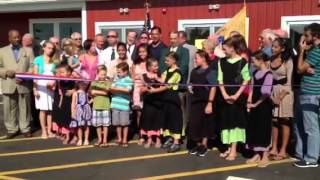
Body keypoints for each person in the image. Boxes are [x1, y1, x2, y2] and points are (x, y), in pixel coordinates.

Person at [218, 36, 250, 161]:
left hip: (237, 96)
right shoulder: (222, 61)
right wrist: (225, 94)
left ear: (232, 49)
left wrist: (236, 95)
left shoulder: (242, 62)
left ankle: (234, 149)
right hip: (225, 95)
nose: (223, 52)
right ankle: (228, 147)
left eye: (225, 49)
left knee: (236, 122)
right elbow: (220, 79)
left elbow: (246, 79)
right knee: (226, 121)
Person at [0, 29, 34, 139]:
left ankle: (25, 129)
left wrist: (24, 76)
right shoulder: (2, 51)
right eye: (14, 37)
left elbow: (32, 67)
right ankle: (11, 129)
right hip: (8, 83)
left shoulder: (28, 50)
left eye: (18, 37)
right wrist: (5, 72)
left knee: (25, 108)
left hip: (24, 84)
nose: (17, 39)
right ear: (9, 38)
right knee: (9, 109)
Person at [295, 23, 320, 168]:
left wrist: (302, 51)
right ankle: (310, 155)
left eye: (307, 35)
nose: (304, 37)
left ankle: (311, 158)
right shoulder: (315, 50)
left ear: (315, 36)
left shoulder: (316, 51)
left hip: (311, 92)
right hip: (311, 91)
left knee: (311, 127)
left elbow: (299, 69)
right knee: (310, 126)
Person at [149, 52, 183, 153]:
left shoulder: (177, 72)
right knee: (167, 119)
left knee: (175, 119)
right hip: (166, 98)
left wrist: (154, 91)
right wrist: (155, 78)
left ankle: (176, 142)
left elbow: (167, 85)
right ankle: (170, 138)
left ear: (173, 60)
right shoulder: (167, 70)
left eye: (167, 60)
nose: (165, 62)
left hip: (173, 98)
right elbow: (162, 80)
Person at [187, 50, 217, 157]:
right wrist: (190, 87)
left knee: (206, 123)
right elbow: (191, 83)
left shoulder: (210, 71)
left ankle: (204, 145)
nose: (195, 60)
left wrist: (210, 103)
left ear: (203, 58)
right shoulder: (194, 71)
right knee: (195, 123)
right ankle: (197, 143)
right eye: (195, 58)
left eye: (197, 58)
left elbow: (213, 87)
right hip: (195, 100)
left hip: (205, 101)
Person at [246, 50, 273, 168]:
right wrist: (249, 101)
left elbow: (265, 94)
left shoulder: (269, 74)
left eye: (253, 61)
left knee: (263, 129)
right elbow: (252, 88)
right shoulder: (255, 73)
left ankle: (265, 155)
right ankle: (256, 153)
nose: (252, 63)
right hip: (254, 105)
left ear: (260, 60)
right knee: (254, 128)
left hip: (264, 106)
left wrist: (256, 104)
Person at [269, 38, 294, 161]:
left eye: (275, 47)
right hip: (273, 93)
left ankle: (283, 150)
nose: (272, 48)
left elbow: (289, 83)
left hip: (285, 93)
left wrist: (279, 97)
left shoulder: (288, 61)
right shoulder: (270, 60)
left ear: (282, 48)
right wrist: (272, 97)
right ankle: (274, 147)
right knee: (274, 121)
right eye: (272, 46)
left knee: (284, 121)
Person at [33, 41, 56, 139]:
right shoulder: (37, 59)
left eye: (52, 48)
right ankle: (43, 131)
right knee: (43, 110)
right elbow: (35, 75)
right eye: (49, 48)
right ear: (44, 48)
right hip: (40, 86)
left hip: (50, 87)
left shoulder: (54, 60)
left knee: (50, 110)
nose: (50, 50)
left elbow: (56, 75)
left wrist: (53, 84)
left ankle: (49, 130)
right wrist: (35, 89)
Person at [139, 58, 163, 148]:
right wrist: (144, 89)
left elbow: (165, 84)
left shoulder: (160, 74)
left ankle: (158, 139)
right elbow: (141, 89)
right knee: (148, 119)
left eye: (157, 65)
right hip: (148, 101)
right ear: (149, 67)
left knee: (158, 120)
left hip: (158, 101)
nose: (157, 67)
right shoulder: (143, 76)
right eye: (155, 66)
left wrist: (157, 78)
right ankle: (149, 139)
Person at [110, 62, 133, 148]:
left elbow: (128, 90)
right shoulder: (116, 79)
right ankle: (119, 138)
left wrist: (117, 89)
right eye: (117, 72)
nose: (117, 73)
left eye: (119, 72)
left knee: (125, 124)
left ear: (125, 72)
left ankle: (125, 139)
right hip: (115, 104)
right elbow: (111, 89)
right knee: (117, 124)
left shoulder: (129, 80)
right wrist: (120, 89)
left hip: (124, 105)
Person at [52, 64, 76, 144]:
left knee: (68, 119)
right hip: (62, 102)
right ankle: (65, 134)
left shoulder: (72, 80)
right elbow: (54, 85)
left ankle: (71, 136)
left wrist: (73, 90)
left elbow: (78, 86)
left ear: (69, 72)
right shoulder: (59, 80)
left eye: (62, 72)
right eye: (59, 72)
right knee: (62, 118)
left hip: (70, 102)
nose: (60, 74)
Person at [90, 65, 112, 147]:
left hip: (105, 105)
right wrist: (97, 91)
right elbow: (92, 92)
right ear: (97, 74)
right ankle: (100, 139)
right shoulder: (94, 82)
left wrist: (96, 91)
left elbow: (107, 92)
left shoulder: (107, 82)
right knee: (98, 124)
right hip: (96, 106)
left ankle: (105, 140)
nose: (103, 76)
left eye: (105, 74)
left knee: (105, 125)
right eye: (102, 74)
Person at [132, 44, 148, 112]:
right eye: (140, 52)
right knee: (139, 113)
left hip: (147, 88)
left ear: (148, 52)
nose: (141, 54)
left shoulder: (150, 62)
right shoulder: (135, 63)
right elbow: (133, 77)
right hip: (137, 86)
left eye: (144, 51)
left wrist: (145, 87)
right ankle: (137, 104)